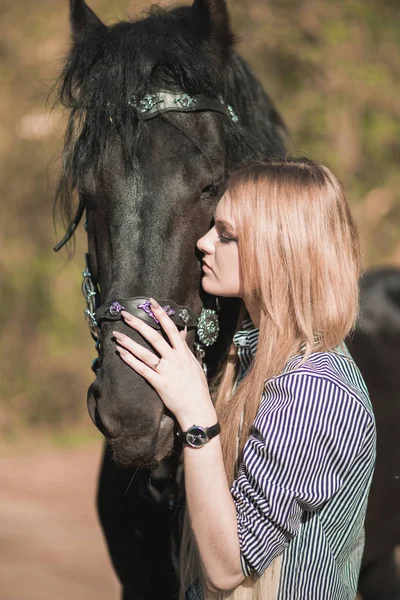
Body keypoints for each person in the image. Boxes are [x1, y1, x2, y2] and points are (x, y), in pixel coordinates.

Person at [112, 158, 376, 600]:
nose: (203, 243)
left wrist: (197, 413)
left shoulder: (314, 390)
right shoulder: (251, 357)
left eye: (226, 234)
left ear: (282, 248)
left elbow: (227, 566)